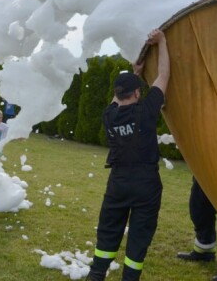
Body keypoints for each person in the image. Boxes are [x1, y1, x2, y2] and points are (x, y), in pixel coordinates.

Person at [86, 29, 170, 281]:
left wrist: (132, 74)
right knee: (139, 234)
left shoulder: (108, 115)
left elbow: (116, 98)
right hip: (146, 183)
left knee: (109, 229)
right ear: (136, 94)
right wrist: (163, 41)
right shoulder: (146, 110)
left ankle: (97, 274)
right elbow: (164, 75)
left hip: (118, 183)